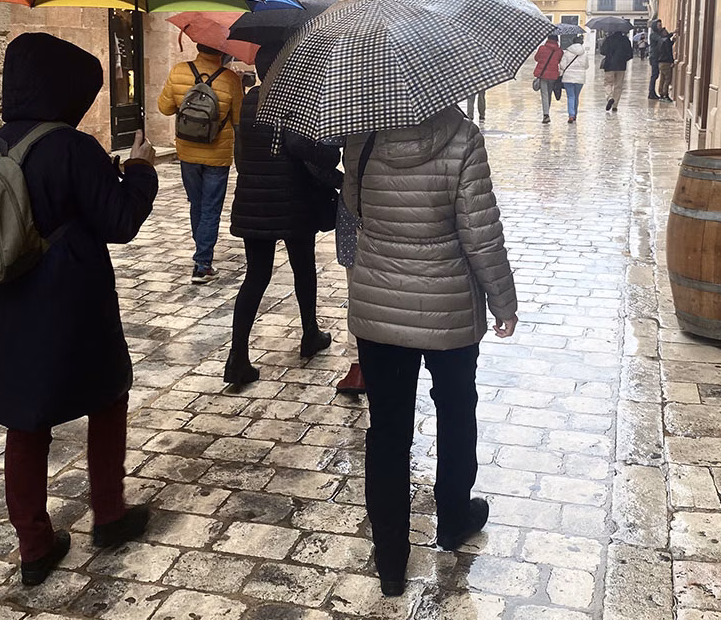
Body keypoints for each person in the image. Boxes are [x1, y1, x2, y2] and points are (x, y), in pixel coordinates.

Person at [0, 33, 159, 587]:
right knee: (107, 395)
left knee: (24, 419)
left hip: (11, 300)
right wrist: (140, 169)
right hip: (73, 297)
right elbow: (121, 222)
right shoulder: (72, 146)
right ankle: (108, 513)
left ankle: (34, 543)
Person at [342, 107, 518, 597]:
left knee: (389, 431)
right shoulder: (464, 137)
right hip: (450, 308)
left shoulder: (363, 133)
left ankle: (391, 558)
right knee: (457, 412)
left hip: (379, 303)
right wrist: (503, 300)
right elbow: (481, 233)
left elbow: (353, 207)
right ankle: (453, 519)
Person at [224, 49, 340, 386]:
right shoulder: (293, 103)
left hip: (254, 200)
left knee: (256, 276)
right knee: (303, 268)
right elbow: (302, 146)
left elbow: (243, 153)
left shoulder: (251, 101)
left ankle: (238, 356)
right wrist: (330, 153)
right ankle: (309, 333)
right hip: (292, 199)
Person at [158, 44, 243, 284]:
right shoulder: (230, 79)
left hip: (187, 151)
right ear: (222, 51)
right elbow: (238, 118)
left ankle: (202, 255)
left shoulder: (178, 71)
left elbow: (164, 108)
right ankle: (202, 263)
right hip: (218, 153)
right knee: (210, 208)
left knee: (196, 204)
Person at [532, 34, 565, 124]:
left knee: (544, 94)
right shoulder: (559, 51)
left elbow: (536, 58)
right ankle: (547, 113)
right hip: (553, 75)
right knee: (549, 93)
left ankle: (546, 114)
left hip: (543, 75)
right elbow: (559, 61)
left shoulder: (542, 48)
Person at [600, 29, 634, 112]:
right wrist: (623, 59)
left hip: (609, 65)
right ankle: (615, 105)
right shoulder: (626, 40)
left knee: (608, 83)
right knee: (618, 85)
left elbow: (602, 51)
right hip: (621, 66)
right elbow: (630, 54)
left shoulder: (609, 39)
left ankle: (609, 98)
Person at [559, 32, 589, 122]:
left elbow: (562, 66)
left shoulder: (567, 52)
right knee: (576, 96)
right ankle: (575, 114)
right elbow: (586, 66)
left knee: (570, 96)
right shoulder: (584, 54)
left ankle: (571, 115)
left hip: (568, 78)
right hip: (580, 78)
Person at [648, 19, 667, 100]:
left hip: (657, 57)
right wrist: (669, 35)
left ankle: (652, 92)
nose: (660, 26)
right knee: (654, 75)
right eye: (659, 25)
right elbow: (661, 40)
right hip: (654, 57)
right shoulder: (653, 35)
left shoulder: (657, 34)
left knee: (655, 75)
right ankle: (651, 92)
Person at [657, 28, 678, 102]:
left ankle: (661, 94)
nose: (667, 32)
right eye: (666, 31)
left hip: (660, 62)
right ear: (663, 33)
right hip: (666, 62)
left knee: (662, 79)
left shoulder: (660, 40)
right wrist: (672, 61)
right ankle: (665, 94)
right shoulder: (666, 40)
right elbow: (669, 51)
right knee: (667, 79)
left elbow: (667, 45)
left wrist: (672, 40)